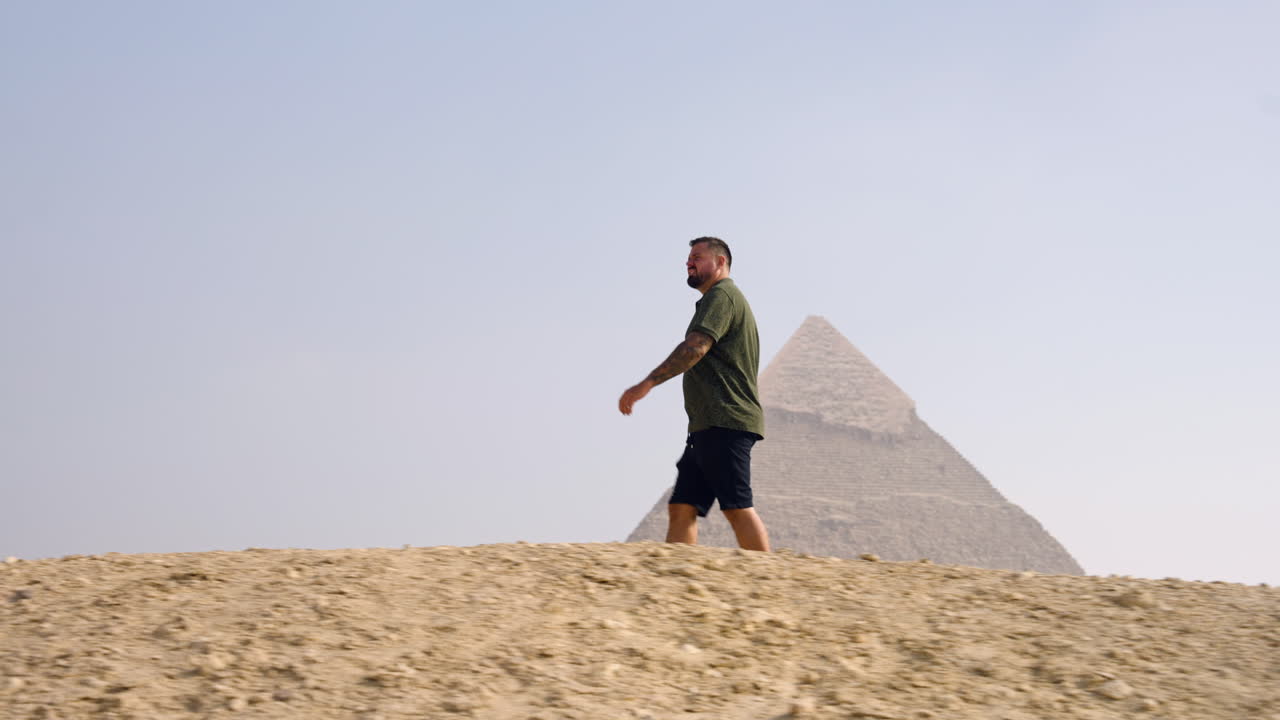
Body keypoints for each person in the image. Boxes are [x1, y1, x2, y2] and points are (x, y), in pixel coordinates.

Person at [619, 237, 770, 552]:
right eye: (688, 258)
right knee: (683, 505)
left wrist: (647, 383)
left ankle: (768, 579)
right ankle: (680, 574)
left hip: (726, 419)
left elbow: (696, 346)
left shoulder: (723, 296)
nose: (689, 263)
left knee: (736, 506)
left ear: (720, 263)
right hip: (707, 425)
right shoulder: (718, 298)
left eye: (697, 257)